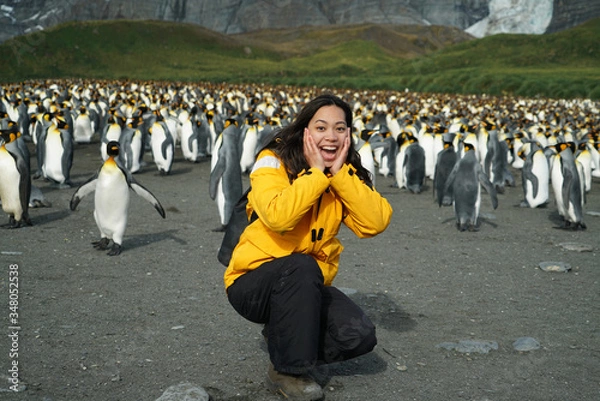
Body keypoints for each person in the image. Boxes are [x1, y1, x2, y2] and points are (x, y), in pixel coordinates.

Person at [224, 93, 393, 400]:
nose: (331, 136)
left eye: (340, 128)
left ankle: (285, 335)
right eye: (321, 127)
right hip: (253, 283)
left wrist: (339, 174)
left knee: (359, 336)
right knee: (302, 264)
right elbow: (278, 217)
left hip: (305, 285)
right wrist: (315, 175)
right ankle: (287, 370)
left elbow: (375, 222)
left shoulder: (343, 173)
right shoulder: (272, 160)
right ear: (305, 130)